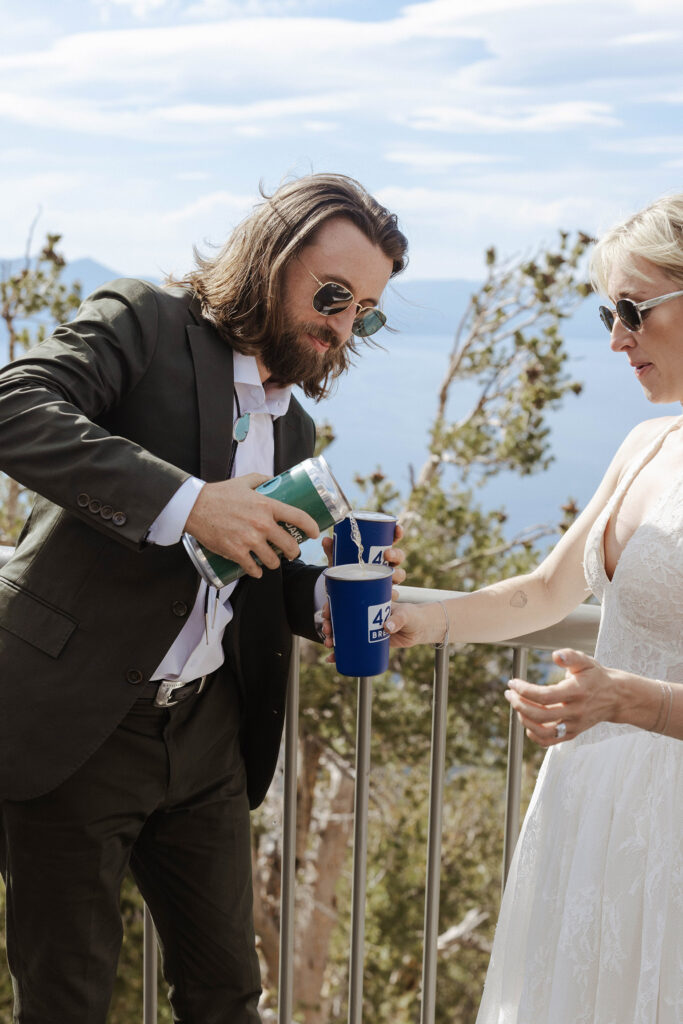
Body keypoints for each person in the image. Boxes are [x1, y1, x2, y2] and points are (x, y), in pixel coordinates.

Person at [0, 172, 407, 1023]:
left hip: (208, 737)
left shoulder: (292, 430)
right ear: (271, 258)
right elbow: (15, 407)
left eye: (362, 313)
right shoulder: (145, 322)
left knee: (228, 995)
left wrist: (321, 600)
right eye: (332, 296)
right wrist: (189, 501)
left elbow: (244, 571)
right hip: (74, 728)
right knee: (66, 998)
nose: (341, 328)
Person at [382, 195, 683, 1022]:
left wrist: (630, 699)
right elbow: (546, 592)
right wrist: (420, 619)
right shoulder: (647, 445)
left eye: (633, 310)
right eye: (606, 313)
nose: (616, 338)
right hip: (589, 803)